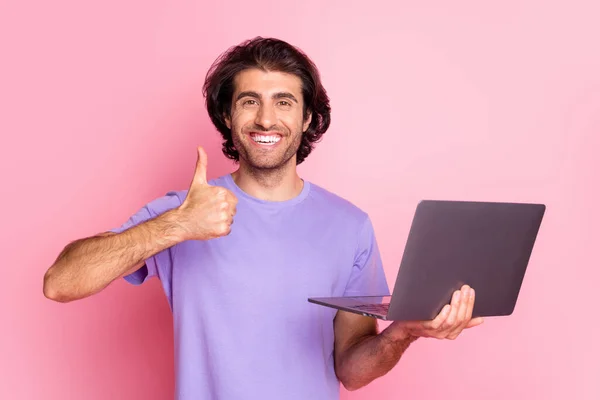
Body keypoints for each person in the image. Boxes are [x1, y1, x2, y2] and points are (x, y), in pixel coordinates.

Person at [43, 37, 484, 399]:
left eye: (284, 102)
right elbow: (60, 282)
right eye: (249, 101)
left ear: (308, 117)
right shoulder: (184, 210)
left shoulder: (350, 226)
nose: (266, 118)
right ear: (227, 116)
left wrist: (402, 333)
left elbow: (350, 370)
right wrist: (176, 225)